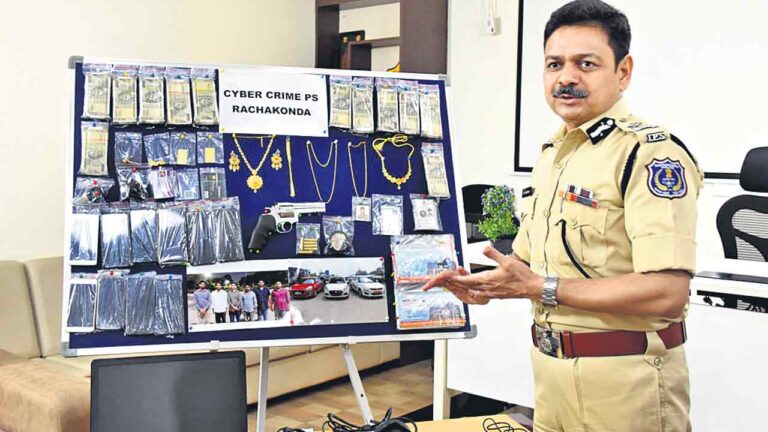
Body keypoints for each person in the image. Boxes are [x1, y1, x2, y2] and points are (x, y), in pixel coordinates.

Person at [424, 1, 702, 431]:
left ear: (623, 72)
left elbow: (666, 292)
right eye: (554, 64)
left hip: (625, 383)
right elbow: (529, 266)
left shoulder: (649, 154)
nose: (566, 77)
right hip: (550, 377)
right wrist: (489, 286)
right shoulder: (552, 155)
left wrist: (540, 287)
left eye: (586, 64)